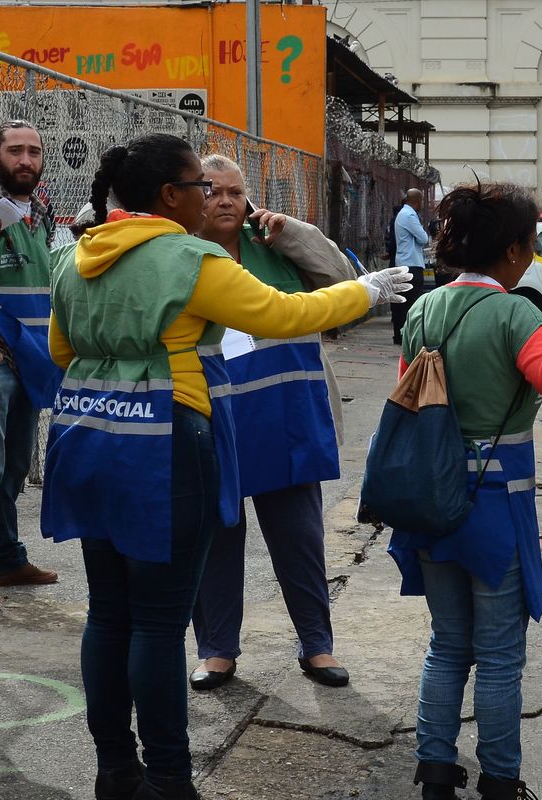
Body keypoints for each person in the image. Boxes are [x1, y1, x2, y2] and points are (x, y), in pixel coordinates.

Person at [42, 133, 410, 800]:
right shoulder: (189, 258)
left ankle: (115, 772)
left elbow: (61, 348)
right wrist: (365, 292)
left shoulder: (76, 256)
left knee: (109, 615)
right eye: (199, 187)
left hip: (85, 431)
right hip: (166, 435)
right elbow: (282, 313)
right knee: (157, 623)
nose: (209, 198)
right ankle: (170, 778)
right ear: (169, 196)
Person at [388, 181, 542, 800]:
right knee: (498, 656)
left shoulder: (424, 309)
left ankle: (436, 771)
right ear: (518, 250)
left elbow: (412, 398)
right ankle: (500, 780)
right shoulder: (518, 313)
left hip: (431, 500)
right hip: (495, 504)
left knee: (447, 646)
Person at [188, 155, 356, 692]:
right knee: (216, 538)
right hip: (216, 420)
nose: (225, 202)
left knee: (300, 540)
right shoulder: (185, 257)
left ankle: (318, 645)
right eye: (212, 191)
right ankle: (216, 651)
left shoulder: (275, 249)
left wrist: (294, 235)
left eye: (236, 193)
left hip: (286, 420)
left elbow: (343, 286)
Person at [0, 119, 61, 609]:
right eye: (15, 151)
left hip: (32, 356)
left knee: (15, 464)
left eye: (34, 152)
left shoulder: (42, 212)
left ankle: (7, 558)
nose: (26, 160)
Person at [392, 187, 432, 343]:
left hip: (405, 263)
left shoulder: (404, 214)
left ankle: (401, 335)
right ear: (417, 201)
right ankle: (403, 335)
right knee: (410, 303)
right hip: (411, 265)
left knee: (403, 302)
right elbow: (423, 238)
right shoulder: (409, 215)